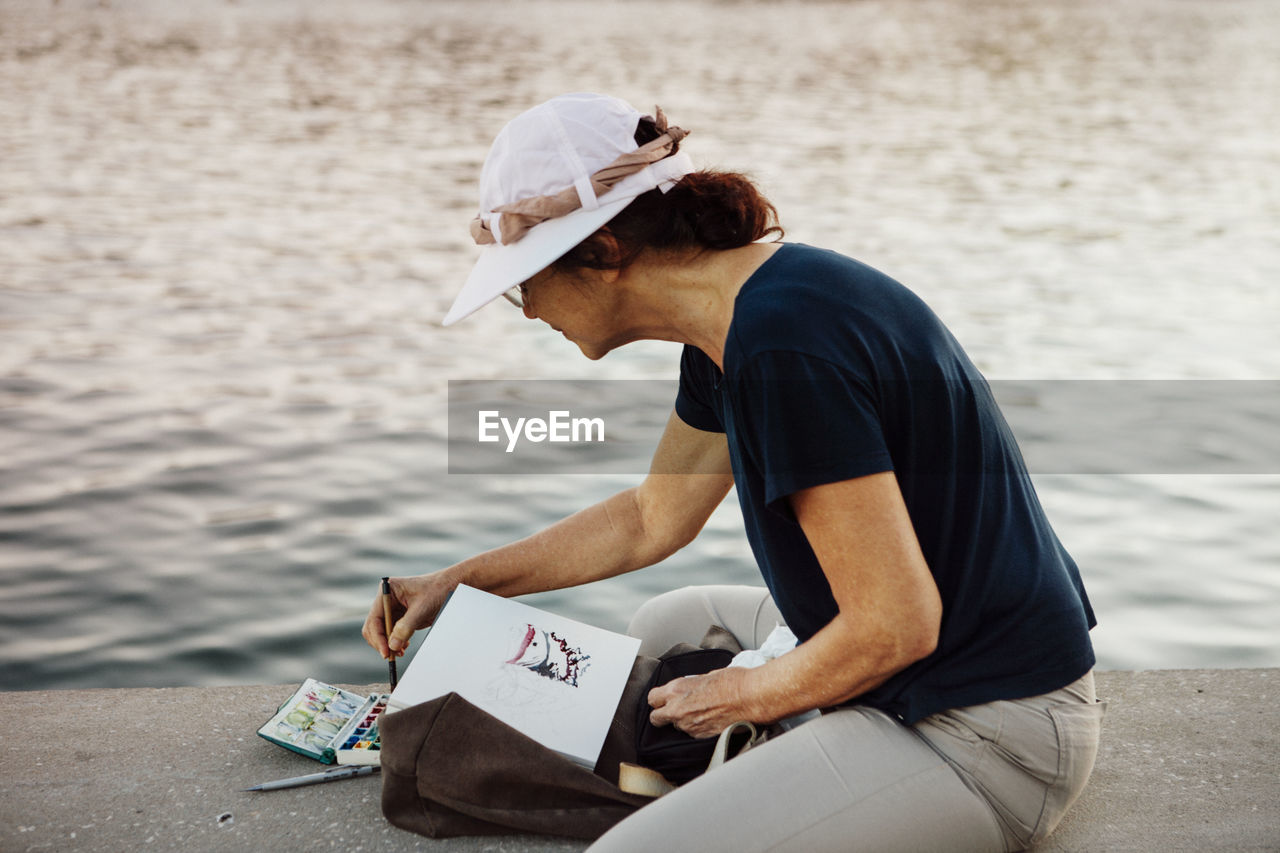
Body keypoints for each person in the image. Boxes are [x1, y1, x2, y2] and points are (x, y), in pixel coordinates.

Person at [363, 92, 1104, 852]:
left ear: (607, 252)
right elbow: (652, 517)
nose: (525, 311)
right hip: (943, 658)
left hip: (985, 732)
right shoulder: (737, 320)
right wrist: (459, 583)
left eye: (524, 283)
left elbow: (895, 626)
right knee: (666, 624)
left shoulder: (784, 354)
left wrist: (736, 692)